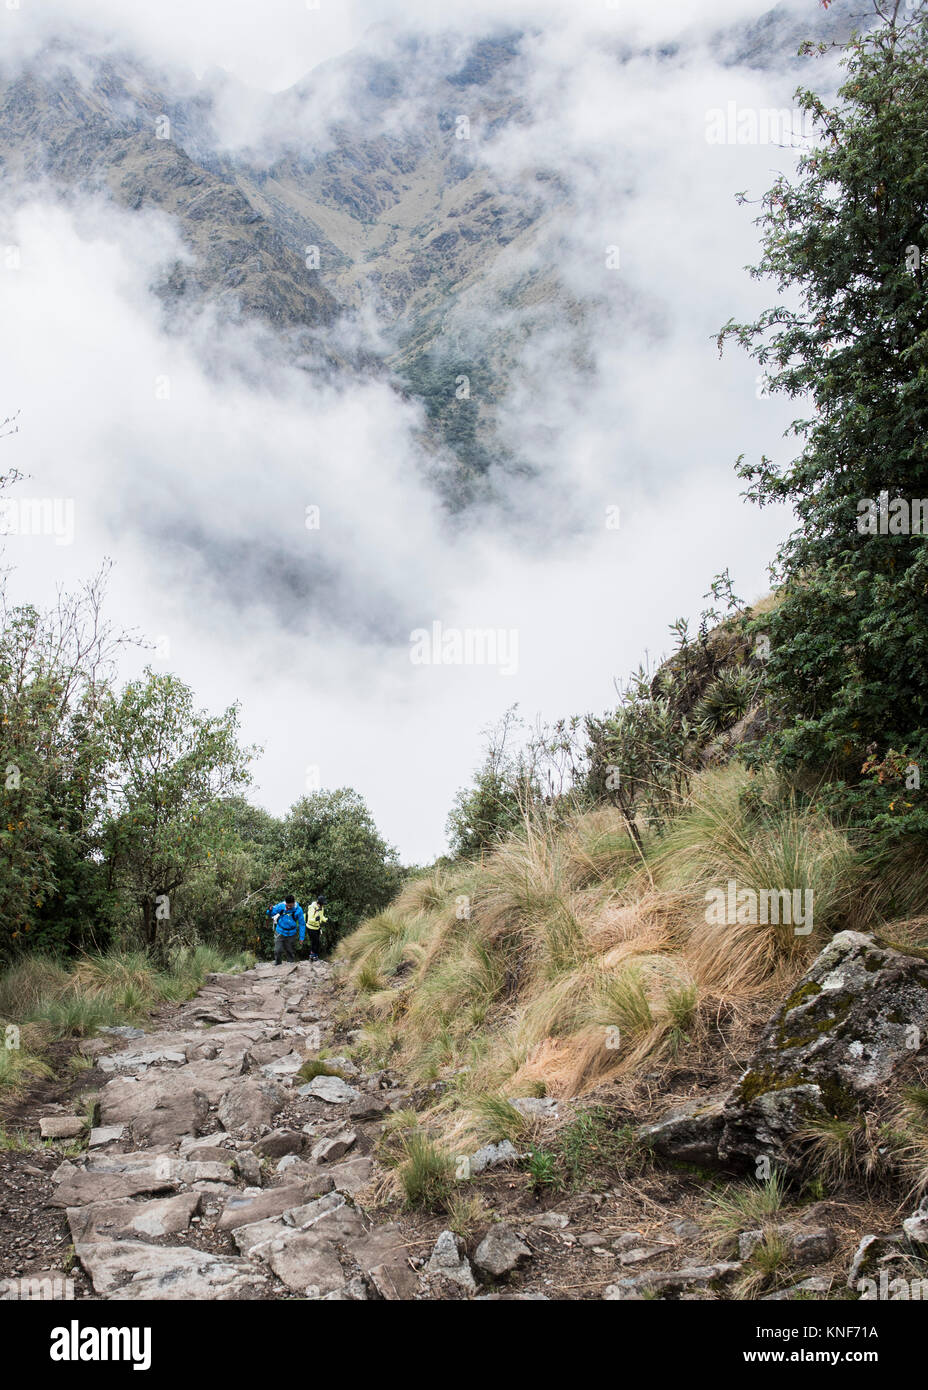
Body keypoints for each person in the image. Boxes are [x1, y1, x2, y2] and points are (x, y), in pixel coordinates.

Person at [265, 895, 306, 964]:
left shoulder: (298, 910)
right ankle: (278, 965)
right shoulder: (281, 906)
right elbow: (271, 913)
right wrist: (269, 910)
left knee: (290, 951)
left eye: (290, 906)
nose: (288, 907)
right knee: (277, 950)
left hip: (291, 933)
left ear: (293, 903)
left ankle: (291, 966)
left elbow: (302, 924)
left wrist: (301, 937)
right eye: (287, 905)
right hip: (280, 931)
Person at [305, 895, 328, 960]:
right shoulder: (312, 908)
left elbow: (321, 916)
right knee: (314, 941)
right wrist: (315, 919)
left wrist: (325, 919)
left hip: (317, 927)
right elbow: (309, 919)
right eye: (322, 903)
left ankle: (315, 955)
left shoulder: (321, 907)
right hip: (310, 927)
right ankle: (312, 955)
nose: (323, 905)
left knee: (317, 942)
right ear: (319, 902)